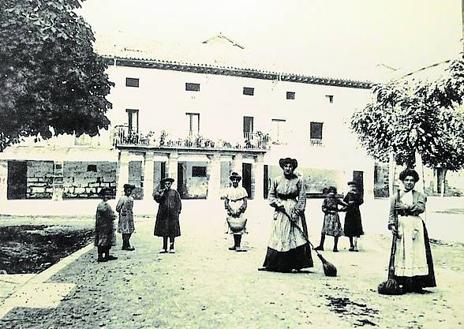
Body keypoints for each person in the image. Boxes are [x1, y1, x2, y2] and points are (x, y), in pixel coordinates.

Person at [259, 157, 313, 272]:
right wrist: (277, 204)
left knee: (294, 235)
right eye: (286, 166)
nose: (288, 168)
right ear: (283, 168)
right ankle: (274, 264)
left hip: (293, 209)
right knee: (278, 233)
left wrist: (297, 212)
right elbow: (271, 196)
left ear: (293, 168)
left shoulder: (298, 181)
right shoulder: (277, 180)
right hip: (280, 211)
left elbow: (302, 197)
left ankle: (293, 264)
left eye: (290, 166)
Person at [387, 168, 436, 293]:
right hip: (401, 225)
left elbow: (420, 208)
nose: (409, 182)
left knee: (417, 253)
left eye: (412, 180)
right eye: (407, 180)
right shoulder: (395, 197)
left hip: (415, 226)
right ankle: (402, 281)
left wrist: (407, 207)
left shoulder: (420, 195)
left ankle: (417, 282)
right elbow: (392, 214)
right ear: (403, 181)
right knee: (402, 253)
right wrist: (392, 225)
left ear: (415, 182)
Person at [153, 177, 182, 253]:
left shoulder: (174, 192)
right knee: (164, 231)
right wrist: (161, 194)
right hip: (163, 215)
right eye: (166, 184)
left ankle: (172, 247)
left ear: (171, 184)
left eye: (169, 184)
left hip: (172, 215)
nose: (167, 185)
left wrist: (178, 211)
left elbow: (178, 202)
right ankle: (164, 247)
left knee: (172, 231)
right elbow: (157, 199)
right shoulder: (161, 192)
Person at [315, 186, 346, 252]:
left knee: (324, 231)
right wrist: (340, 210)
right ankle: (335, 247)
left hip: (328, 216)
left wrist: (328, 211)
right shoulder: (336, 199)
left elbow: (323, 208)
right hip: (334, 215)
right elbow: (346, 205)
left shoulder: (326, 199)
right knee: (336, 231)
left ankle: (321, 246)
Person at [224, 172, 249, 252]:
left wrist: (240, 210)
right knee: (233, 226)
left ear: (239, 181)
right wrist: (230, 210)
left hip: (239, 207)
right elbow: (226, 201)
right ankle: (235, 244)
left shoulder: (242, 190)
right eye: (233, 179)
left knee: (239, 226)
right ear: (231, 181)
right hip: (231, 207)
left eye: (236, 180)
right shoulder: (228, 190)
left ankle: (238, 245)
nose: (235, 181)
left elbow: (245, 202)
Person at [95, 187, 117, 262]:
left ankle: (107, 255)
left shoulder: (106, 204)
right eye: (106, 194)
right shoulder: (102, 205)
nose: (108, 196)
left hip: (107, 225)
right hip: (103, 226)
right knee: (102, 241)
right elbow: (106, 213)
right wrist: (112, 216)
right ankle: (100, 256)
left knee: (108, 240)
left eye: (109, 194)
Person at [343, 181, 364, 251]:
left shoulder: (358, 194)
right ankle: (351, 245)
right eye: (351, 186)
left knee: (356, 230)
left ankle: (355, 246)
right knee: (349, 231)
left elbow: (361, 201)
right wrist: (346, 205)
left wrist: (355, 202)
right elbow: (344, 201)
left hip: (356, 213)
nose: (352, 188)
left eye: (353, 186)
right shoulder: (348, 194)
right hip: (349, 213)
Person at [116, 183, 136, 251]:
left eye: (130, 191)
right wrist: (122, 212)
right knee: (125, 231)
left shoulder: (131, 198)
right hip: (124, 217)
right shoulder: (122, 198)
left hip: (130, 216)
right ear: (125, 191)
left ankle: (125, 244)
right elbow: (118, 208)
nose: (129, 192)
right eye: (128, 191)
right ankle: (126, 245)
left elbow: (131, 207)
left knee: (130, 231)